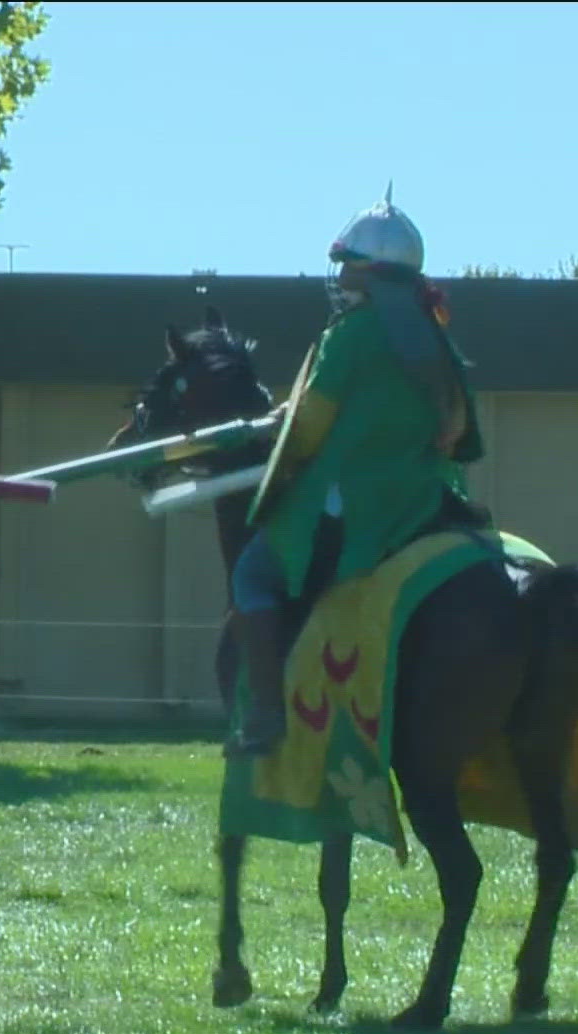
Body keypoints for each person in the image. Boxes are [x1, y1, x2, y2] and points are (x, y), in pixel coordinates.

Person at [224, 188, 487, 758]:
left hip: (358, 511)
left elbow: (311, 429)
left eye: (347, 265)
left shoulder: (349, 335)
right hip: (427, 501)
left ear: (368, 272)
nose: (340, 277)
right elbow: (460, 434)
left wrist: (282, 431)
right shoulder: (434, 335)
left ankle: (267, 715)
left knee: (253, 572)